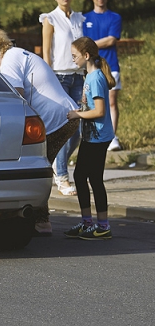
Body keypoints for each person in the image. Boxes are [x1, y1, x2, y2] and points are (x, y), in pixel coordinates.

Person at [0, 27, 80, 235]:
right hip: (65, 115)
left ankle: (41, 221)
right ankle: (41, 220)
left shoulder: (9, 61)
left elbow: (16, 99)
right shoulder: (18, 54)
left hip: (56, 119)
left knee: (38, 167)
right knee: (42, 165)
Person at [65, 36, 117, 240]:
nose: (73, 60)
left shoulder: (95, 78)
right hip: (90, 136)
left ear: (86, 55)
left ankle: (103, 225)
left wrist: (78, 114)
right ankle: (87, 222)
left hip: (98, 137)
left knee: (94, 179)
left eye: (75, 56)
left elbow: (100, 112)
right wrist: (80, 110)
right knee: (79, 176)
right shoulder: (89, 75)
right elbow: (91, 108)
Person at [40, 0, 84, 195]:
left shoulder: (79, 18)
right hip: (59, 77)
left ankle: (57, 166)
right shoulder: (49, 18)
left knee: (79, 129)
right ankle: (63, 177)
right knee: (65, 126)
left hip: (79, 76)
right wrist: (48, 79)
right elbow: (46, 51)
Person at [84, 0, 123, 151]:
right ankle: (94, 136)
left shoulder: (115, 17)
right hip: (91, 68)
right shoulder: (85, 18)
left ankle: (112, 138)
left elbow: (111, 39)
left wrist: (90, 45)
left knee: (111, 102)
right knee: (92, 104)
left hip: (110, 65)